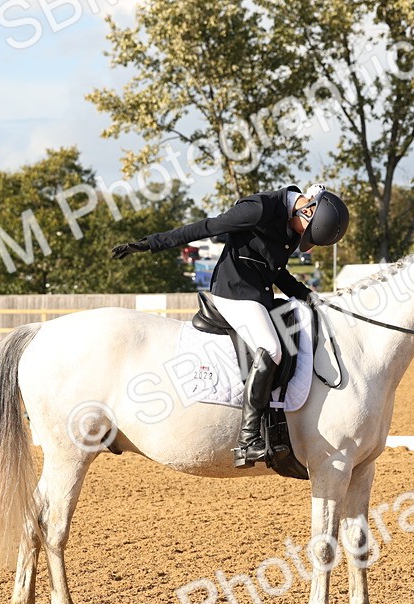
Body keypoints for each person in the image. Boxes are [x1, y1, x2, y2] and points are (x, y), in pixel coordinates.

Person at [111, 183, 349, 467]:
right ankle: (247, 439)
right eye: (304, 230)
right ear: (307, 209)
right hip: (233, 292)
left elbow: (275, 271)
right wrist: (151, 242)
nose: (301, 237)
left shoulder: (290, 221)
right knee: (272, 348)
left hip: (259, 295)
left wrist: (311, 298)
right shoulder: (259, 209)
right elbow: (206, 227)